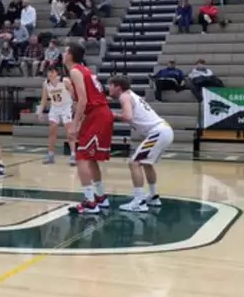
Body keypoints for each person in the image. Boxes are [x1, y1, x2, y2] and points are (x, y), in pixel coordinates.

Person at [109, 77, 174, 213]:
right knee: (146, 163)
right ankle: (153, 196)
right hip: (165, 129)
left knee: (134, 163)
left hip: (158, 131)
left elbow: (128, 117)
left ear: (118, 87)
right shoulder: (132, 95)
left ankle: (139, 201)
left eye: (111, 86)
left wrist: (113, 115)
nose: (109, 89)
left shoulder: (124, 97)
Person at [65, 42, 114, 214]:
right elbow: (81, 99)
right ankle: (100, 197)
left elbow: (84, 100)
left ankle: (90, 201)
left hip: (97, 115)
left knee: (81, 157)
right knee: (90, 158)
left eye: (65, 51)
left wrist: (74, 124)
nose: (63, 54)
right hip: (100, 113)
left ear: (70, 55)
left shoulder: (75, 71)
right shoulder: (84, 70)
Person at [37, 67, 75, 166]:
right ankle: (50, 155)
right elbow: (44, 98)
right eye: (48, 72)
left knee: (69, 132)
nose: (50, 74)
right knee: (52, 131)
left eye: (52, 72)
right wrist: (40, 111)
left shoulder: (65, 81)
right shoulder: (46, 84)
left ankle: (73, 155)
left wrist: (74, 104)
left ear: (56, 73)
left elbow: (74, 93)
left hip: (66, 107)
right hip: (54, 108)